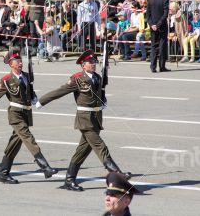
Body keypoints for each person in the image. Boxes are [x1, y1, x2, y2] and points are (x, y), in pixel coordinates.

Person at [36, 50, 131, 191]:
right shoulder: (77, 79)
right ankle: (117, 174)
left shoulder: (98, 77)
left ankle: (69, 180)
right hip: (85, 119)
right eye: (90, 62)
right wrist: (42, 101)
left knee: (82, 151)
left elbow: (99, 94)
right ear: (83, 65)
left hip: (96, 118)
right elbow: (60, 91)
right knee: (100, 146)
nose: (93, 64)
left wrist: (103, 101)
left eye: (94, 62)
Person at [0, 51, 57, 184]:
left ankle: (4, 174)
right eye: (17, 61)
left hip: (26, 113)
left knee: (14, 144)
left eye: (21, 60)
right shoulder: (7, 79)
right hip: (15, 113)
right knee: (28, 137)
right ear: (11, 64)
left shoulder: (26, 76)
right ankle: (45, 167)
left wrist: (35, 100)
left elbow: (30, 90)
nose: (20, 63)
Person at [146, 0, 170, 73]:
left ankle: (153, 66)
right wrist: (159, 24)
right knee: (162, 46)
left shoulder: (150, 0)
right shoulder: (165, 0)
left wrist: (152, 24)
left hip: (153, 26)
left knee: (153, 46)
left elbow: (148, 15)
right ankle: (162, 66)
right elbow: (165, 14)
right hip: (162, 26)